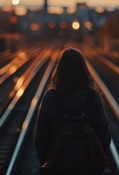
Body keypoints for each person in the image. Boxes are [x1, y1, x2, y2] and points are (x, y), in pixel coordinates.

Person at [34, 47, 111, 175]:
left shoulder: (50, 97)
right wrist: (96, 161)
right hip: (89, 167)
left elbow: (41, 137)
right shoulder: (93, 96)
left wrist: (46, 161)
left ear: (59, 70)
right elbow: (104, 134)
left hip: (57, 167)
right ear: (84, 70)